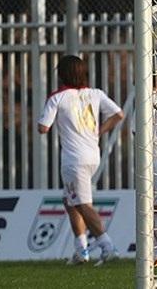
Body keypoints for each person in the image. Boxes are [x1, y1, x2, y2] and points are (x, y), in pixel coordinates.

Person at [37, 55, 124, 265]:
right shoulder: (95, 93)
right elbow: (118, 114)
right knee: (69, 200)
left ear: (61, 75)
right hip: (92, 155)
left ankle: (107, 246)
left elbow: (43, 128)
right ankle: (81, 249)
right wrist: (99, 131)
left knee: (83, 204)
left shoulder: (57, 97)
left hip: (73, 159)